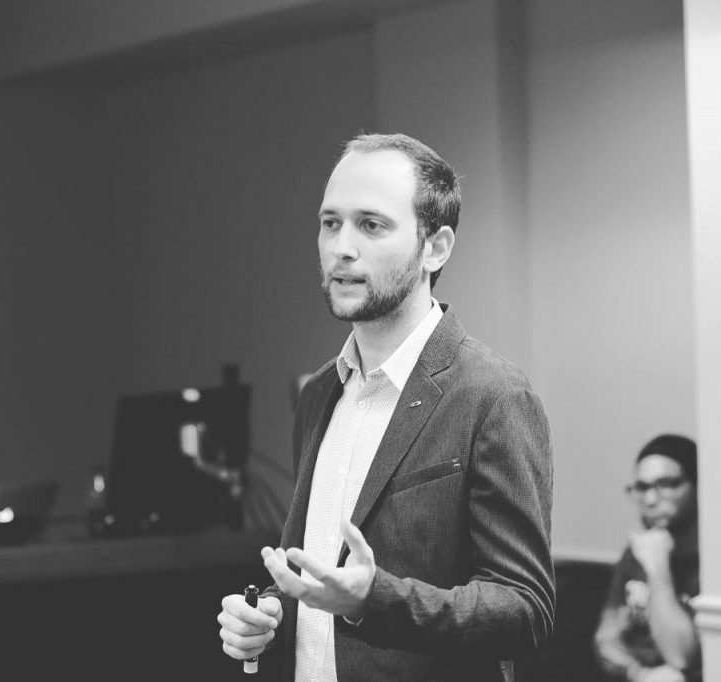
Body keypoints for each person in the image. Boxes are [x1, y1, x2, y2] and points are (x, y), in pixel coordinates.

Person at [216, 132, 555, 681]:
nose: (340, 247)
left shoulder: (493, 395)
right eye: (331, 223)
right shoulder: (319, 393)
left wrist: (373, 600)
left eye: (371, 225)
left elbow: (525, 610)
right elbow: (319, 573)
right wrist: (269, 611)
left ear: (435, 247)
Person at [594, 434, 701, 682]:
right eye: (642, 488)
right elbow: (605, 640)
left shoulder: (711, 562)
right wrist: (639, 673)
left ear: (697, 486)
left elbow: (681, 658)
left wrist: (658, 570)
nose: (650, 500)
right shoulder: (634, 553)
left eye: (667, 484)